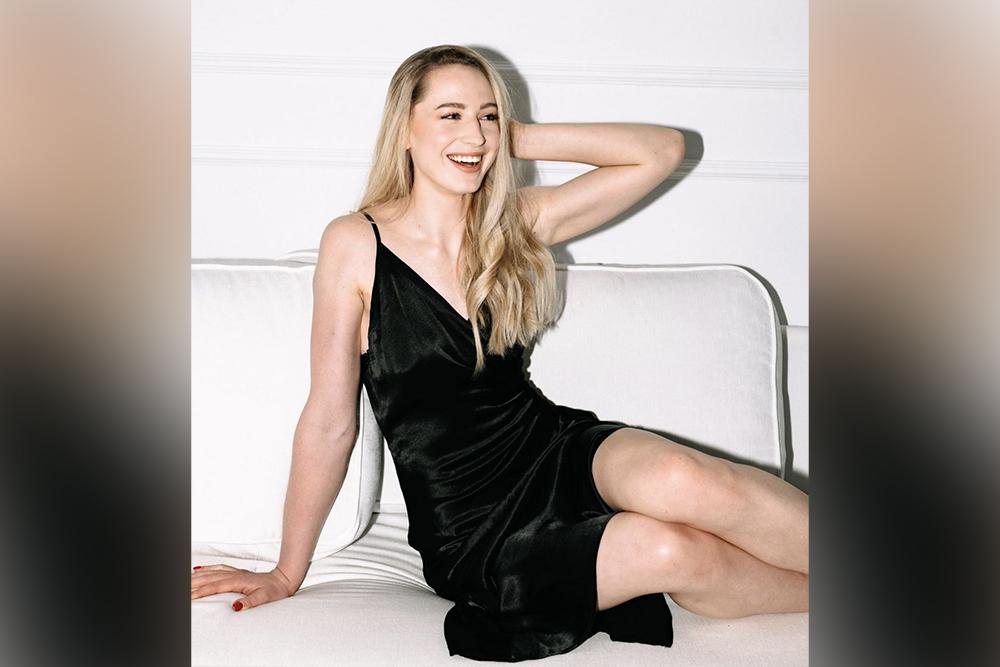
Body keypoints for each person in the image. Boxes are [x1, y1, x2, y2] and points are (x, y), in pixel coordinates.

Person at [191, 44, 809, 661]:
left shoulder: (515, 222)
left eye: (487, 115)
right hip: (472, 523)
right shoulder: (355, 243)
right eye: (451, 115)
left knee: (683, 477)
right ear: (404, 128)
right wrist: (286, 570)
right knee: (669, 549)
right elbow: (330, 421)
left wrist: (517, 137)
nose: (474, 134)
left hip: (551, 447)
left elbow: (662, 151)